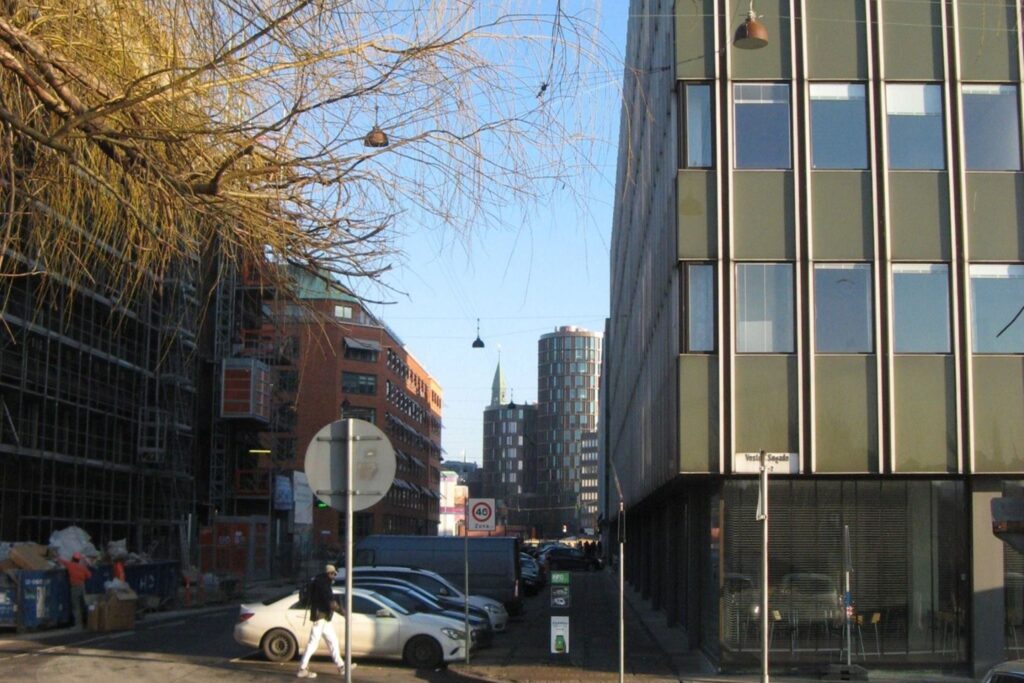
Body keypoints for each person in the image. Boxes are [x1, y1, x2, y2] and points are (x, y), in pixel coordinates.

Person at [297, 564, 354, 679]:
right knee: (313, 644)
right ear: (329, 573)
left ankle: (341, 666)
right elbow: (331, 603)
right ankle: (302, 669)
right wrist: (344, 614)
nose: (335, 576)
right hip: (320, 618)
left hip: (324, 618)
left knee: (333, 641)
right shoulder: (323, 584)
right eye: (334, 574)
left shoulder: (320, 582)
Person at [59, 552, 92, 629]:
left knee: (76, 606)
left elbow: (62, 561)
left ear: (72, 559)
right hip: (82, 586)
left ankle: (78, 624)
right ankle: (88, 622)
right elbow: (89, 575)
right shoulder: (82, 567)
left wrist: (56, 556)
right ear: (78, 560)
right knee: (83, 604)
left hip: (75, 587)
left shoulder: (70, 565)